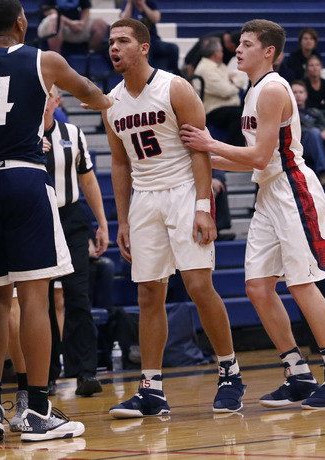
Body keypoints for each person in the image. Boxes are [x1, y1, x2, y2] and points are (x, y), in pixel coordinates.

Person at [0, 0, 112, 443]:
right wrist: (104, 98)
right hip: (25, 177)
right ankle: (36, 408)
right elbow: (93, 95)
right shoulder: (45, 60)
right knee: (34, 298)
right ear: (21, 23)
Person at [180, 19, 325, 410]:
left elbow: (261, 156)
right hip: (269, 190)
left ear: (268, 52)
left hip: (293, 190)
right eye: (238, 44)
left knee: (300, 283)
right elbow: (253, 162)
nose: (238, 50)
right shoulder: (253, 91)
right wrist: (202, 161)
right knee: (258, 287)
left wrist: (211, 144)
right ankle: (297, 374)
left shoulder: (273, 89)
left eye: (246, 45)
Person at [103, 18, 244, 418]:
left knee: (199, 285)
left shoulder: (174, 86)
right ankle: (151, 388)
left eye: (123, 41)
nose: (115, 48)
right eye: (112, 42)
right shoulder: (111, 101)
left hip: (184, 190)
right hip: (144, 198)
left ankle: (230, 372)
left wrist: (203, 205)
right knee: (149, 293)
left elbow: (200, 149)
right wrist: (123, 222)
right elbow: (118, 163)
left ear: (144, 47)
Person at [42, 85, 108, 396]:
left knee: (78, 297)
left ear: (58, 100)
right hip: (36, 219)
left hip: (71, 220)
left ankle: (86, 372)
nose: (44, 99)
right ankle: (46, 374)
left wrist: (103, 222)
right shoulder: (21, 134)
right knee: (40, 303)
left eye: (50, 94)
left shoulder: (72, 132)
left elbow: (88, 178)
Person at [194, 36, 245, 146]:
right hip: (213, 110)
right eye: (221, 51)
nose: (222, 53)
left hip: (228, 107)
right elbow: (225, 91)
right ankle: (231, 149)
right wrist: (235, 84)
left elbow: (241, 80)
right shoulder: (205, 69)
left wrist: (233, 83)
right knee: (240, 115)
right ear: (216, 53)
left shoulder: (220, 66)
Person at [119, 0, 179, 74]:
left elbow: (156, 19)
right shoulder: (127, 5)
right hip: (136, 42)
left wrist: (143, 5)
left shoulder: (150, 4)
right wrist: (129, 3)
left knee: (173, 48)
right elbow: (124, 20)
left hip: (153, 40)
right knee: (146, 48)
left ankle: (174, 73)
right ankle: (147, 76)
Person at [38, 0, 108, 55]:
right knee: (56, 20)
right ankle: (56, 58)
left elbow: (86, 9)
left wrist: (82, 23)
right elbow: (48, 11)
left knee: (100, 24)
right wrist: (70, 23)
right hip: (49, 26)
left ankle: (89, 57)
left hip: (74, 26)